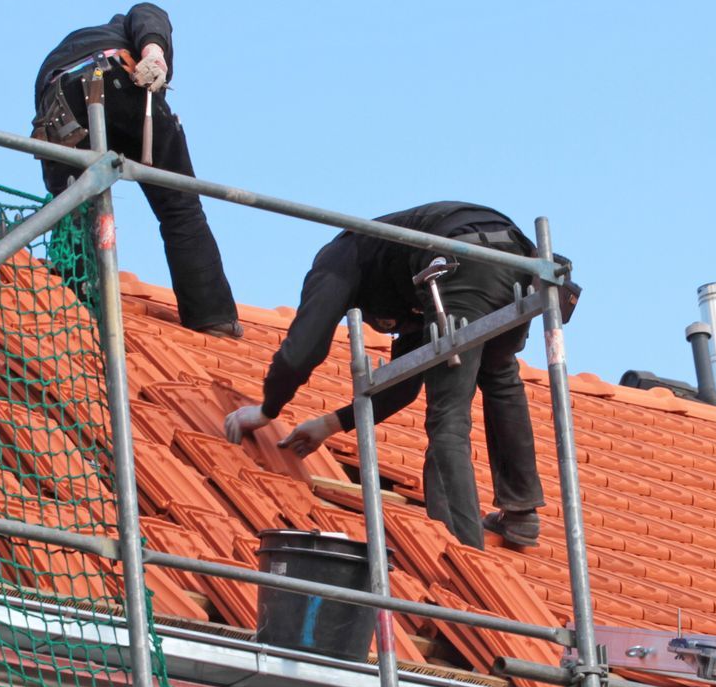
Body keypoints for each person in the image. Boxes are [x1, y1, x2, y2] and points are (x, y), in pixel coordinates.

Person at [222, 201, 555, 550]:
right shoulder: (404, 279)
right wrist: (328, 425)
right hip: (515, 258)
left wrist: (268, 409)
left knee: (448, 417)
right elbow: (401, 384)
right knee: (499, 373)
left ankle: (463, 550)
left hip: (457, 257)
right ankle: (520, 511)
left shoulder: (340, 258)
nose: (384, 328)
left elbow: (303, 348)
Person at [31, 3, 239, 337]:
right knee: (179, 207)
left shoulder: (60, 55)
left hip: (60, 105)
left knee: (74, 211)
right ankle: (212, 317)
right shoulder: (125, 25)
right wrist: (155, 55)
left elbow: (54, 167)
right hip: (116, 79)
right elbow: (148, 12)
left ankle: (75, 301)